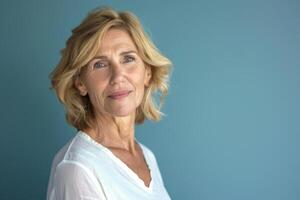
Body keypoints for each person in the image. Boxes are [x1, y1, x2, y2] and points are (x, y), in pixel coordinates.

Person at [47, 6, 172, 200]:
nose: (118, 76)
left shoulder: (147, 157)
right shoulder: (78, 168)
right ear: (81, 83)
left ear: (147, 72)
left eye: (128, 59)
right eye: (100, 64)